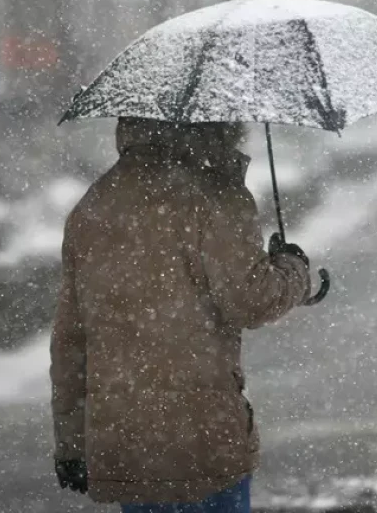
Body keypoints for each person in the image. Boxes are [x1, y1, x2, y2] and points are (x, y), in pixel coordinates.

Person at [50, 118, 312, 512]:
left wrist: (71, 443)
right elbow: (251, 300)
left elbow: (71, 341)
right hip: (203, 441)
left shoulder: (94, 205)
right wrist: (294, 270)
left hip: (126, 442)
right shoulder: (216, 196)